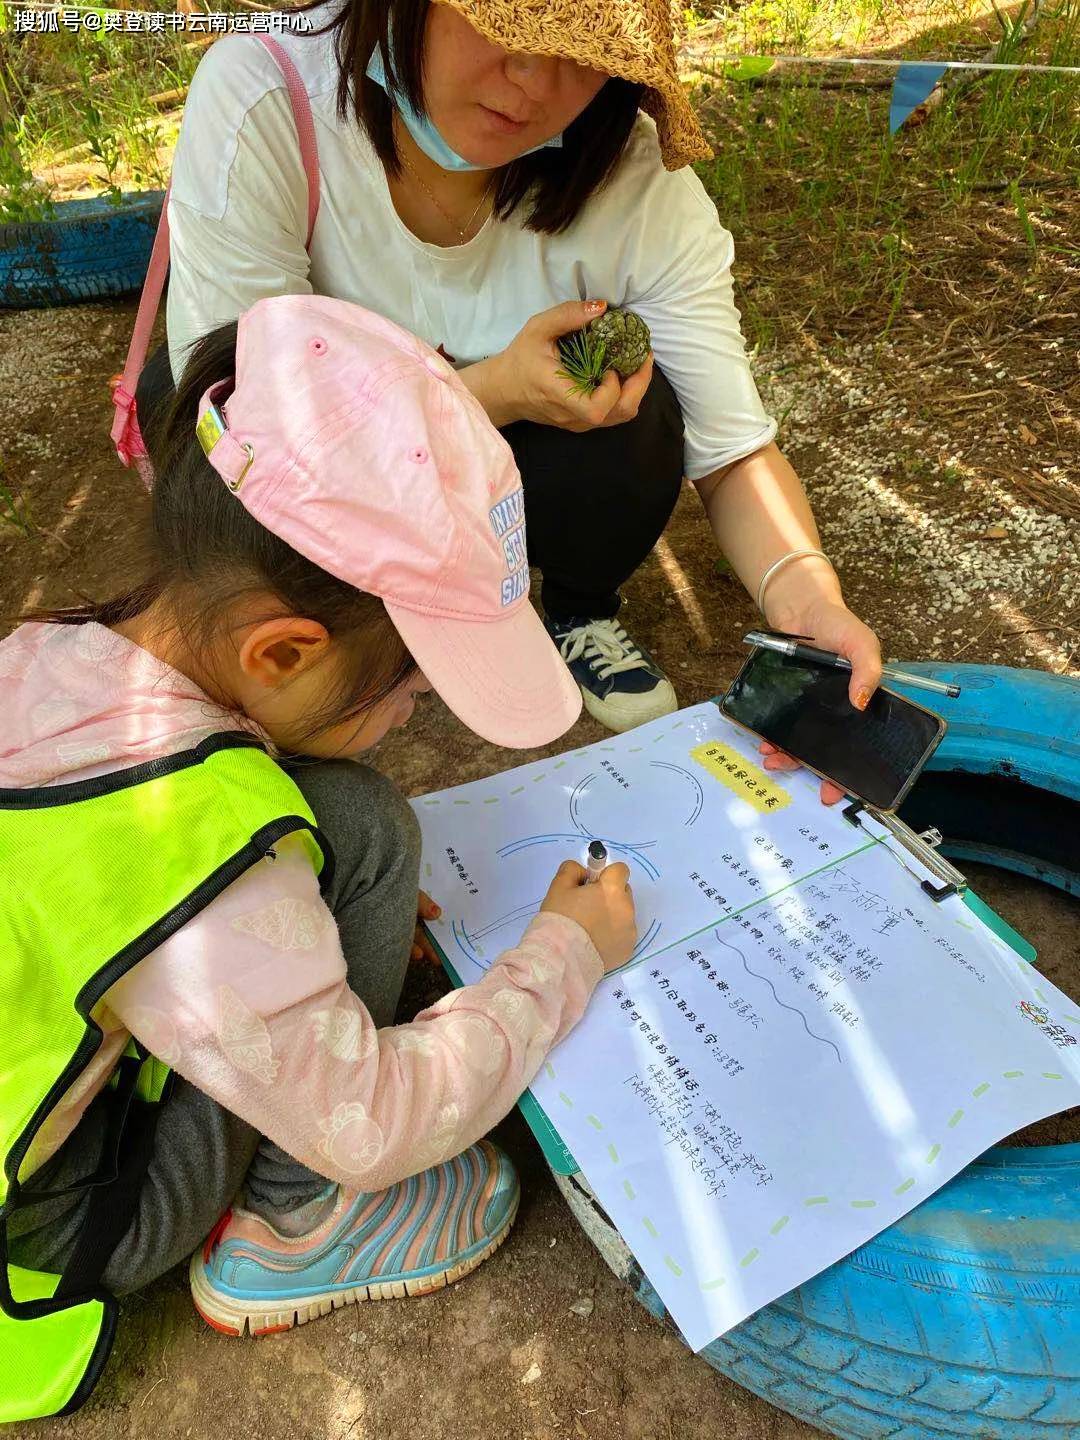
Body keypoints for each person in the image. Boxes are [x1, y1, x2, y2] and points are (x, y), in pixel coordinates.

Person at [0, 295, 636, 1419]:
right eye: (409, 687)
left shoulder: (49, 654)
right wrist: (561, 957)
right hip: (63, 1221)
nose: (409, 717)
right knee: (358, 832)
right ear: (283, 648)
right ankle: (301, 1230)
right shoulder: (194, 855)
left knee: (352, 819)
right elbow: (378, 1119)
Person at [134, 0, 883, 747]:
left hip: (506, 460)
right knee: (196, 412)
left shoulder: (637, 179)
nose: (530, 80)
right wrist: (489, 389)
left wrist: (804, 592)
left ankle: (573, 607)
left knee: (643, 414)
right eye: (503, 25)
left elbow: (732, 451)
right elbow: (247, 429)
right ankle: (374, 632)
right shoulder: (266, 95)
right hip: (300, 463)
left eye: (580, 50)